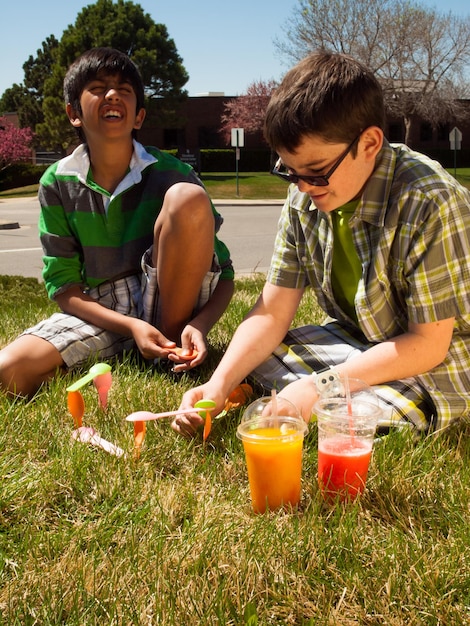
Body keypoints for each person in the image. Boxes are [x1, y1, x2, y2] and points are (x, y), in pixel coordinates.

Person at [173, 50, 470, 438]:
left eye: (316, 172)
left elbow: (428, 344)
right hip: (357, 339)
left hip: (439, 359)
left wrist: (317, 387)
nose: (302, 187)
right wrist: (221, 384)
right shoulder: (304, 195)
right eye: (289, 171)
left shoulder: (428, 201)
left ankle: (333, 400)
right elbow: (271, 312)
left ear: (370, 143)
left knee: (352, 424)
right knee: (252, 361)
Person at [0, 47, 234, 398]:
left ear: (139, 116)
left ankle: (169, 350)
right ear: (73, 113)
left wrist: (199, 326)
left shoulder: (174, 173)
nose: (112, 94)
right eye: (97, 87)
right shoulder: (56, 183)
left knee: (188, 198)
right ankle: (118, 348)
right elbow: (65, 289)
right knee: (8, 372)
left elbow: (225, 275)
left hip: (169, 302)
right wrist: (131, 327)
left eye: (124, 89)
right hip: (104, 311)